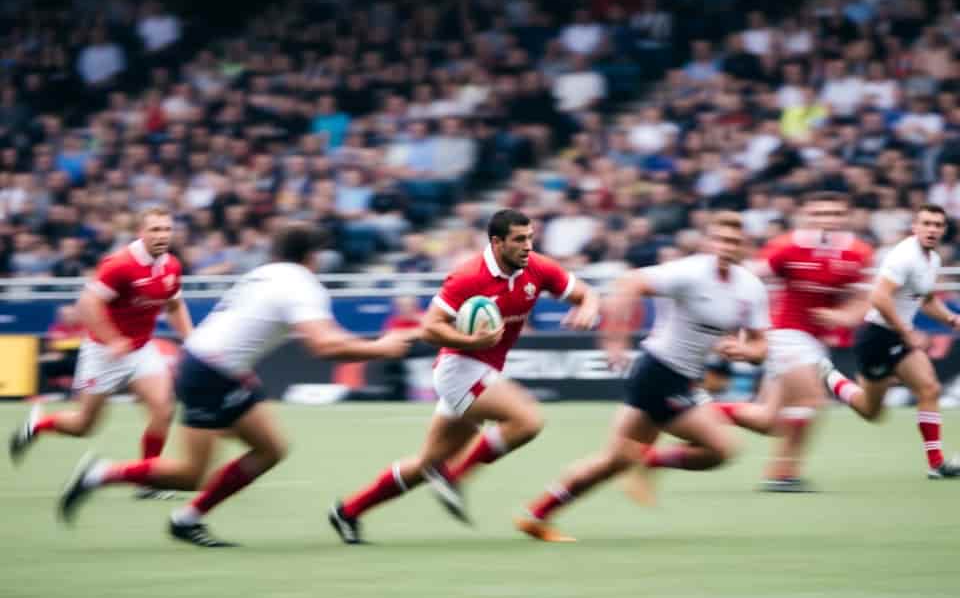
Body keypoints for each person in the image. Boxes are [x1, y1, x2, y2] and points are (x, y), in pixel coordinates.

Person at [57, 224, 417, 548]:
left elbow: (319, 337)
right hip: (209, 373)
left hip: (219, 369)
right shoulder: (302, 284)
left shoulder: (266, 273)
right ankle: (100, 474)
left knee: (270, 448)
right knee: (189, 474)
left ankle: (187, 519)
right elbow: (324, 345)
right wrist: (379, 348)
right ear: (313, 256)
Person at [328, 208, 599, 544]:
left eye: (530, 238)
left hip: (483, 371)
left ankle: (348, 512)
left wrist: (587, 307)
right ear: (497, 242)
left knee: (426, 464)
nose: (528, 246)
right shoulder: (469, 276)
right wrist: (472, 341)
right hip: (458, 370)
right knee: (527, 421)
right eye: (519, 240)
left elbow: (586, 293)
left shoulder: (538, 268)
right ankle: (454, 478)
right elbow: (429, 328)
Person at [515, 211, 769, 543]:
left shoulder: (750, 288)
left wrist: (744, 351)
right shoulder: (690, 272)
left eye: (734, 241)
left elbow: (761, 346)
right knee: (720, 448)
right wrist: (615, 340)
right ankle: (644, 461)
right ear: (709, 241)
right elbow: (629, 282)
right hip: (659, 372)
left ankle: (537, 515)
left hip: (683, 378)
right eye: (720, 239)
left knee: (613, 460)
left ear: (744, 246)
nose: (726, 246)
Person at [9, 208, 192, 503]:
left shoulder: (171, 265)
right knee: (84, 426)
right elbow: (87, 303)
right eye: (155, 230)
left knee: (163, 409)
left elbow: (174, 305)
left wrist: (191, 340)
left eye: (166, 229)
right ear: (140, 233)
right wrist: (112, 340)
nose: (162, 236)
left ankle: (146, 480)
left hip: (142, 349)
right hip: (103, 353)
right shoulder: (120, 265)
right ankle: (37, 426)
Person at [717, 193, 873, 491]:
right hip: (784, 335)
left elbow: (864, 300)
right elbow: (746, 282)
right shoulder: (787, 246)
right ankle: (783, 474)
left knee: (768, 420)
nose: (828, 220)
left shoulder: (858, 252)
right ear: (806, 216)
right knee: (812, 400)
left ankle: (692, 412)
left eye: (835, 214)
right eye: (820, 214)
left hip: (812, 342)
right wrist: (740, 331)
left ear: (846, 217)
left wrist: (845, 317)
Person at [819, 204, 960, 478]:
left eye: (937, 225)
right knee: (871, 411)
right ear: (915, 227)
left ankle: (936, 464)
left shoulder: (932, 260)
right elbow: (878, 297)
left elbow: (927, 301)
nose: (932, 229)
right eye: (926, 223)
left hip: (898, 337)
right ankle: (831, 378)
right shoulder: (904, 256)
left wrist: (953, 320)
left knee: (929, 388)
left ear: (943, 230)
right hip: (877, 338)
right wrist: (906, 332)